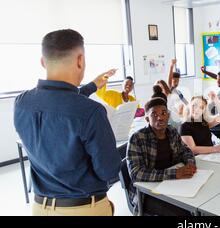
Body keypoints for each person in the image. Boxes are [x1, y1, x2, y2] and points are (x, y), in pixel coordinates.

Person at [14, 29, 121, 216]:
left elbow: (59, 102)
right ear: (80, 60)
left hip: (40, 207)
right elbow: (108, 171)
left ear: (42, 61)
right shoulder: (91, 111)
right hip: (83, 208)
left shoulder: (22, 103)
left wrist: (92, 86)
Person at [127, 87, 196, 216]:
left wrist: (190, 164)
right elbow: (137, 174)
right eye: (154, 114)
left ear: (168, 115)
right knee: (183, 212)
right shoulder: (137, 138)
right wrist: (174, 174)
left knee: (197, 205)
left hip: (172, 185)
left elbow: (185, 151)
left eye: (164, 113)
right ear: (147, 119)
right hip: (146, 193)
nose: (160, 118)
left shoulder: (172, 131)